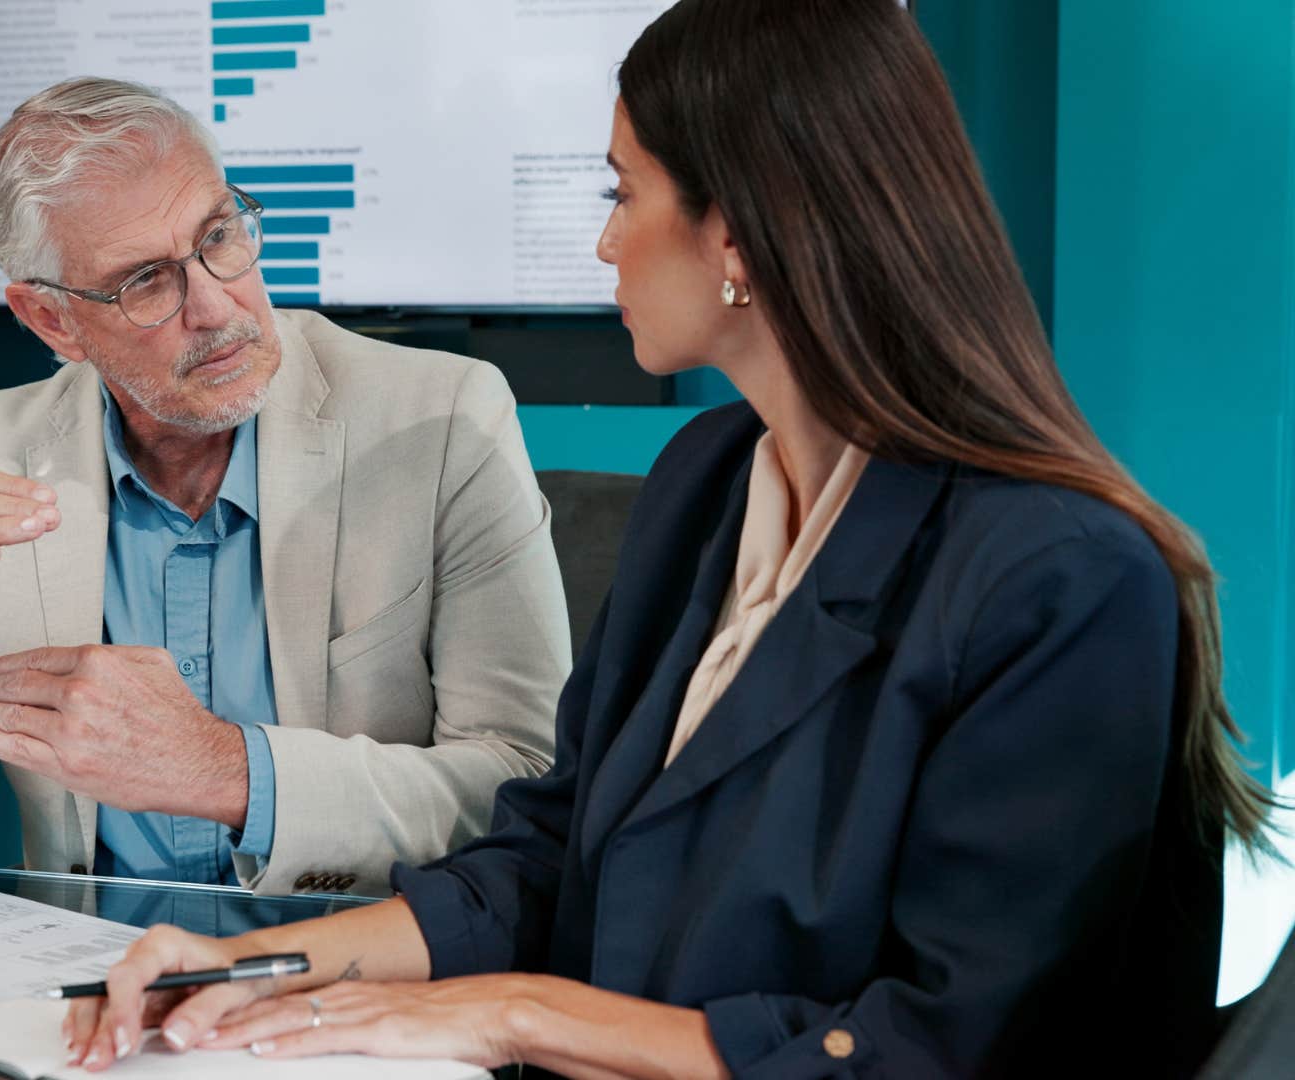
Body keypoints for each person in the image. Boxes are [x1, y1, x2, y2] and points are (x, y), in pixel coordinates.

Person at [63, 1, 1279, 1076]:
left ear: (740, 235)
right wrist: (260, 967)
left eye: (622, 191)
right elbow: (550, 857)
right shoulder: (707, 481)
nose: (605, 241)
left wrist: (511, 1017)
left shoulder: (1064, 583)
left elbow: (936, 1046)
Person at [0, 78, 568, 897]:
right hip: (87, 970)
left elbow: (526, 787)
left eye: (219, 235)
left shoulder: (440, 420)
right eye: (146, 280)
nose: (217, 305)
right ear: (52, 321)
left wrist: (224, 772)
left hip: (354, 966)